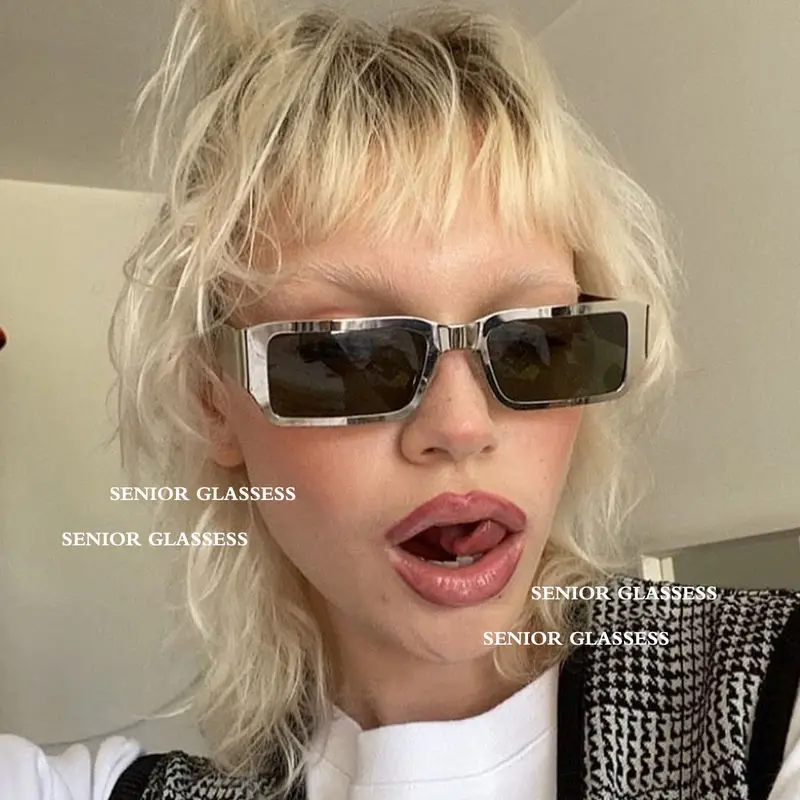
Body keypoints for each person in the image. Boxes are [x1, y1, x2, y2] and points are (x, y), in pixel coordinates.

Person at [2, 1, 799, 798]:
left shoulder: (761, 703)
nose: (461, 425)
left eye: (533, 344)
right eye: (351, 356)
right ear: (215, 402)